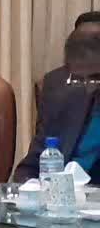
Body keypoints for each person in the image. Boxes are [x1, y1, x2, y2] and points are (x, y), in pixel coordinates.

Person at [13, 23, 100, 182]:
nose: (89, 88)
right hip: (62, 194)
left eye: (96, 77)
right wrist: (29, 187)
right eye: (79, 79)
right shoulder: (64, 97)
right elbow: (30, 166)